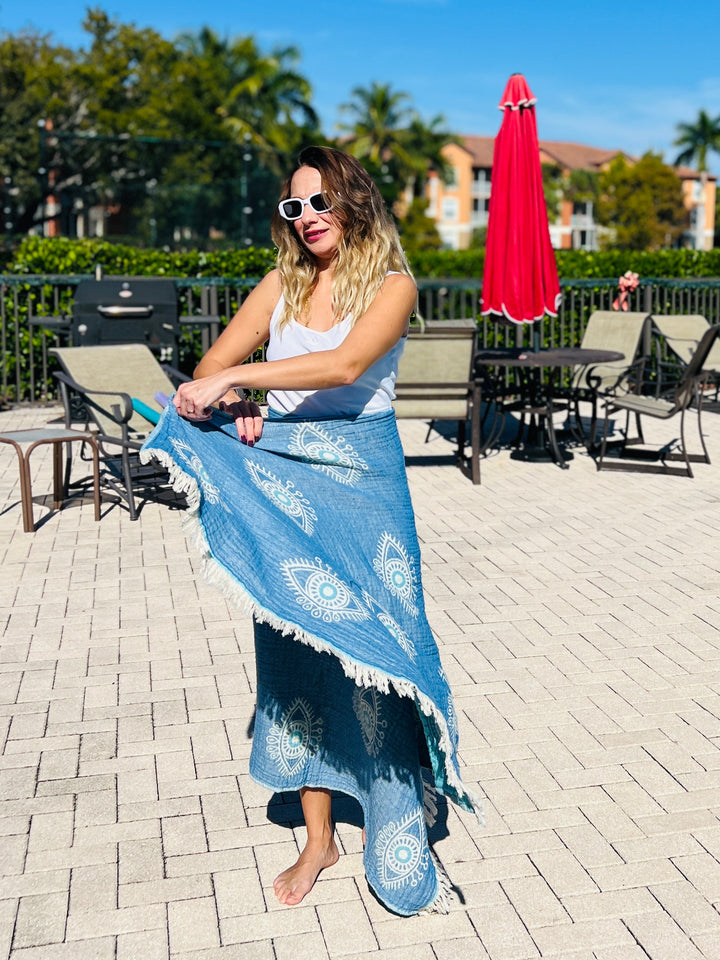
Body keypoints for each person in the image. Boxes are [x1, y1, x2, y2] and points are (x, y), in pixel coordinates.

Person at [148, 146, 480, 916]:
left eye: (322, 201)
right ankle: (319, 837)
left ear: (354, 201)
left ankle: (394, 814)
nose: (309, 218)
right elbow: (209, 366)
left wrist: (244, 379)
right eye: (294, 208)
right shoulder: (281, 284)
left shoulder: (394, 285)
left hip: (365, 487)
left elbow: (344, 365)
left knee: (377, 655)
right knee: (298, 654)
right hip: (288, 484)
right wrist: (234, 399)